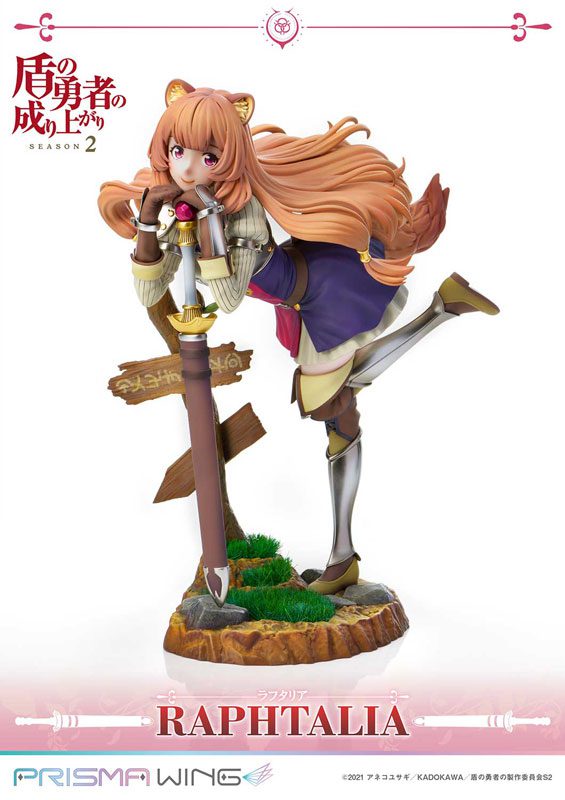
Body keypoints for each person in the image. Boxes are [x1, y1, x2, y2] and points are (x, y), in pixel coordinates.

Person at [99, 80, 499, 595]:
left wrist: (212, 220)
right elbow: (148, 289)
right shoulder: (184, 206)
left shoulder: (239, 210)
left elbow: (228, 296)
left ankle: (442, 310)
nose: (189, 168)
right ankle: (343, 557)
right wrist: (149, 222)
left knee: (330, 404)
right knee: (336, 408)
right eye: (179, 152)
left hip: (324, 288)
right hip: (296, 302)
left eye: (208, 157)